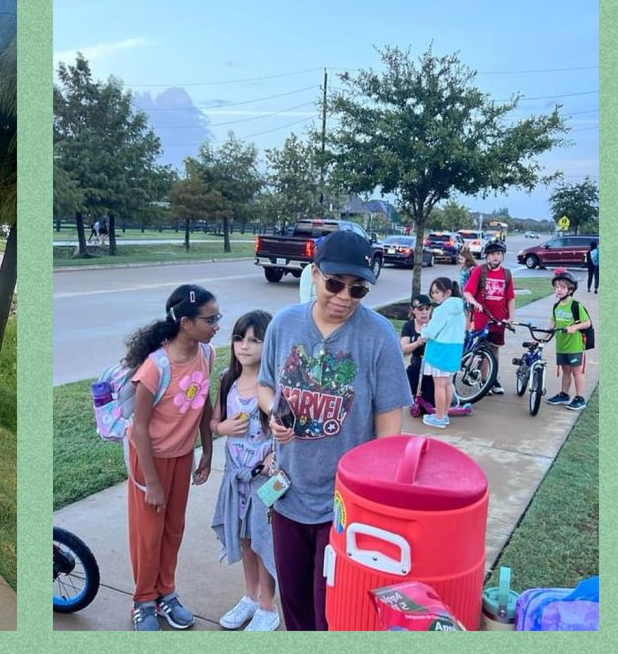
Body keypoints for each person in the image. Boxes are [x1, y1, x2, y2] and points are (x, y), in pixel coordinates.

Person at [258, 230, 412, 631]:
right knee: (294, 609)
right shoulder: (284, 325)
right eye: (334, 284)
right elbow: (265, 385)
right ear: (314, 273)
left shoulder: (379, 336)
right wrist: (274, 412)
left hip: (345, 507)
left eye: (357, 288)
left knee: (333, 614)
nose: (344, 296)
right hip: (288, 492)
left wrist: (377, 505)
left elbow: (389, 434)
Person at [125, 284, 216, 631]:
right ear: (186, 323)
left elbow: (202, 403)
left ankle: (166, 592)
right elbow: (141, 429)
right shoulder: (154, 368)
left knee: (173, 530)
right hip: (151, 460)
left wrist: (206, 450)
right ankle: (143, 600)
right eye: (211, 319)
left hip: (182, 457)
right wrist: (151, 483)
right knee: (149, 535)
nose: (217, 325)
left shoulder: (206, 354)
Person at [211, 309, 279, 631]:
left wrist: (274, 458)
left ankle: (268, 606)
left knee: (264, 540)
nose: (245, 346)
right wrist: (222, 427)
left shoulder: (274, 387)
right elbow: (214, 422)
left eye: (255, 339)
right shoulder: (228, 380)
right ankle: (250, 597)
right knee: (244, 538)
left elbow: (287, 430)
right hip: (235, 476)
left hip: (265, 482)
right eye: (240, 338)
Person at [463, 240, 513, 395]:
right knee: (483, 348)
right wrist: (474, 302)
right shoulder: (480, 271)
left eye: (498, 254)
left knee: (495, 348)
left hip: (499, 319)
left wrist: (511, 317)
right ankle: (484, 380)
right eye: (492, 254)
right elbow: (467, 292)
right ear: (487, 256)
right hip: (482, 317)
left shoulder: (506, 274)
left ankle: (493, 377)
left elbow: (510, 297)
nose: (495, 257)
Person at [418, 277, 466, 429]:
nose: (434, 296)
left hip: (440, 350)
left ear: (447, 293)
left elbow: (431, 332)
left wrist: (423, 331)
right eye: (433, 292)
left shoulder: (441, 310)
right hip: (454, 350)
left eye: (437, 292)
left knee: (439, 384)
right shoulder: (460, 309)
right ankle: (443, 414)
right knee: (447, 384)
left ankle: (439, 417)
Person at [546, 268, 591, 411]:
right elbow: (551, 325)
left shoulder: (576, 306)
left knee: (576, 371)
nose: (558, 290)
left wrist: (574, 327)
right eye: (557, 287)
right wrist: (540, 338)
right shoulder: (556, 306)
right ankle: (564, 394)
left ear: (570, 290)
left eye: (562, 287)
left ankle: (580, 398)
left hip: (574, 345)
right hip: (561, 345)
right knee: (565, 370)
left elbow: (587, 323)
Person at [400, 294, 432, 401]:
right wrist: (417, 343)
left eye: (427, 309)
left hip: (432, 369)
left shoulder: (435, 325)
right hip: (416, 367)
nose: (424, 312)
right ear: (413, 310)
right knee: (404, 395)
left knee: (428, 405)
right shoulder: (408, 326)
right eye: (420, 309)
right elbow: (403, 350)